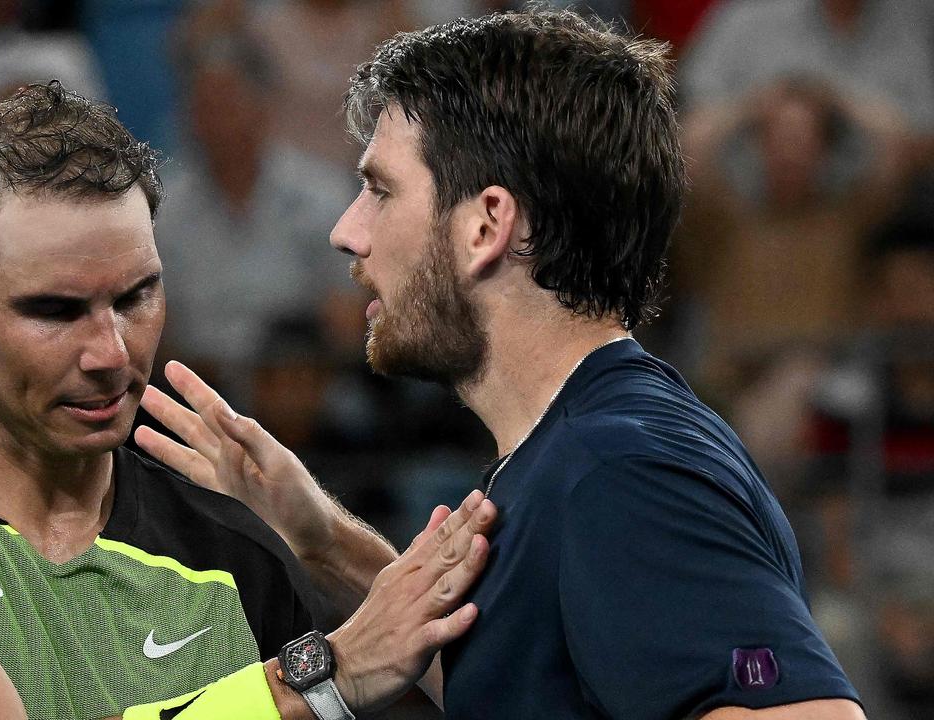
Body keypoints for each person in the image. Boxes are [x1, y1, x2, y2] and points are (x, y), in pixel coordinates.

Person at [135, 9, 867, 719]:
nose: (346, 231)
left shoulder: (621, 470)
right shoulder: (581, 450)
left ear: (487, 224)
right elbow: (512, 687)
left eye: (382, 190)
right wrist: (323, 540)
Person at [0, 81, 495, 719]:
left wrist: (331, 555)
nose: (111, 355)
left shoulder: (232, 551)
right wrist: (320, 673)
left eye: (138, 296)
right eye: (55, 311)